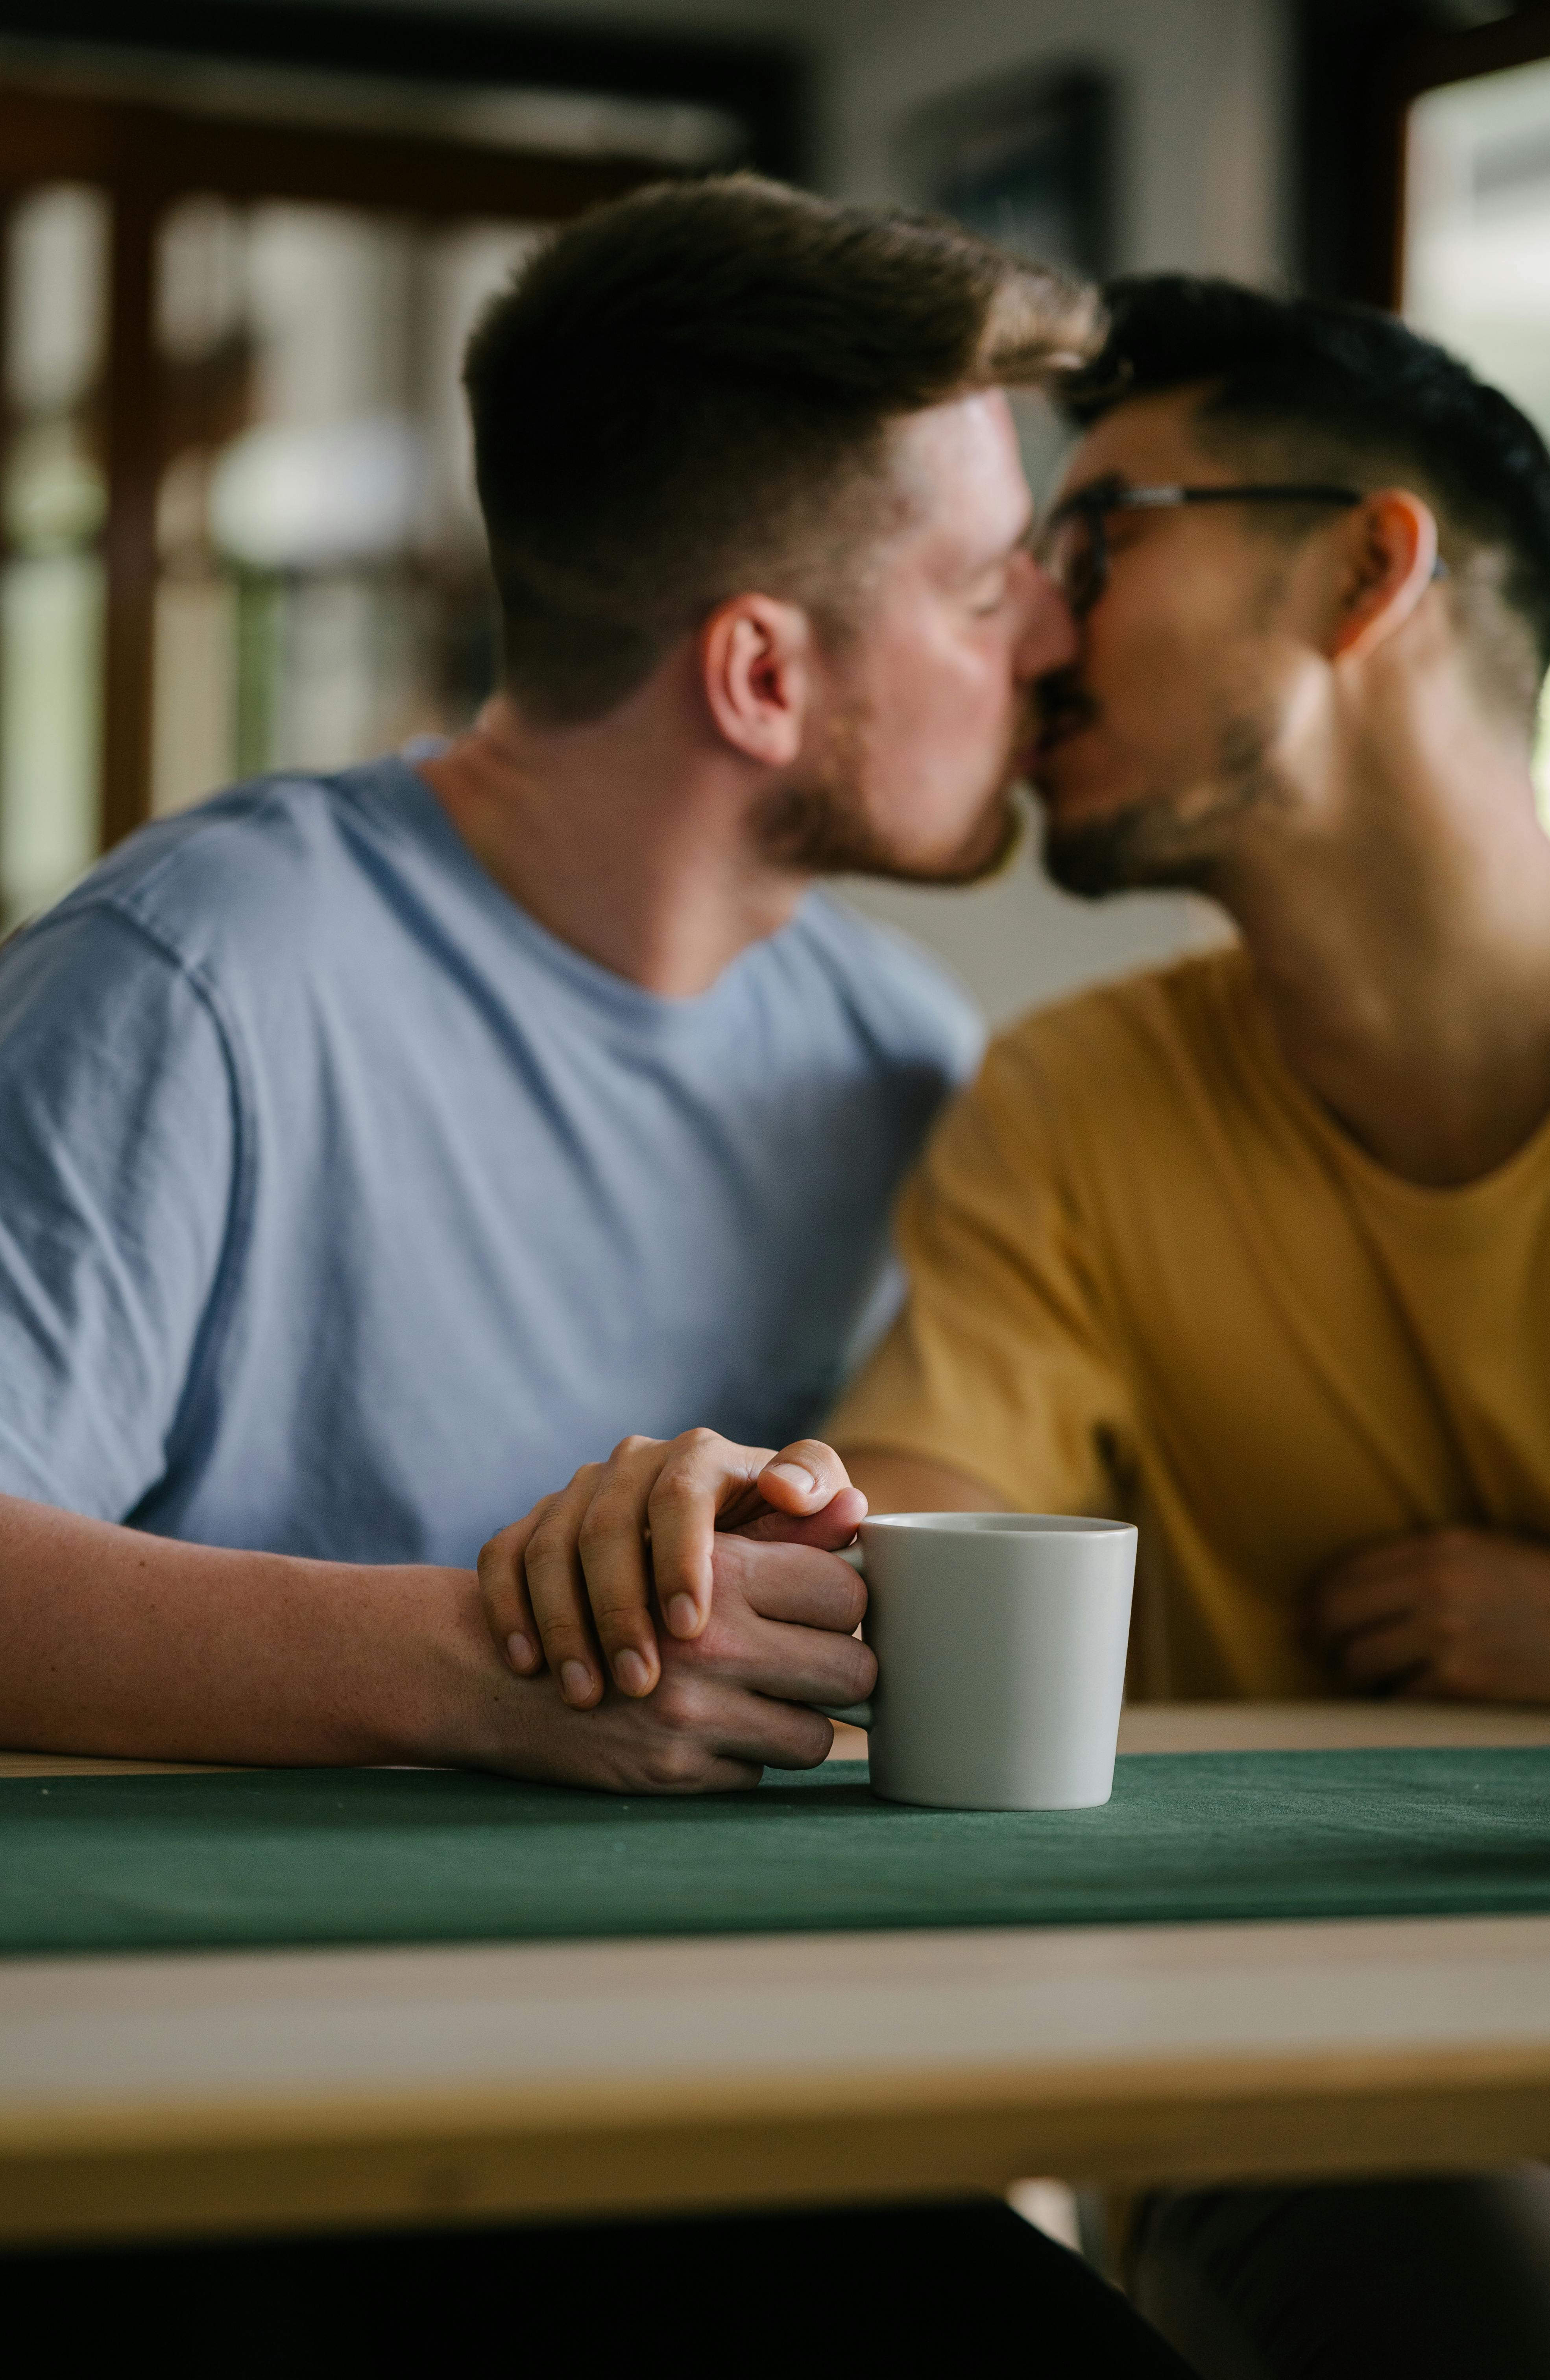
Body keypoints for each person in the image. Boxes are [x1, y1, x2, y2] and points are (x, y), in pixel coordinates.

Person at [494, 279, 1550, 2377]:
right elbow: (926, 1504)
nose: (1034, 637)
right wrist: (754, 1528)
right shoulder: (1071, 1104)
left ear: (1366, 569)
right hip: (1327, 2092)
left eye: (1093, 544)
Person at [0, 174, 1088, 1791]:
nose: (1053, 638)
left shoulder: (902, 1057)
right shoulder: (195, 981)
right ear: (762, 676)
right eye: (988, 588)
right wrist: (490, 1668)